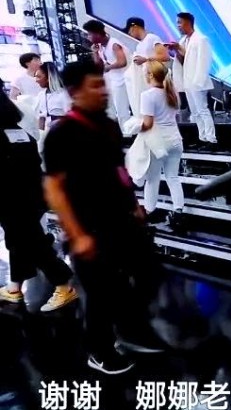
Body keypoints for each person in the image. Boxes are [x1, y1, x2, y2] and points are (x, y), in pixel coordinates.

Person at [43, 60, 163, 375]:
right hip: (89, 228)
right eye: (95, 85)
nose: (103, 90)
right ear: (74, 92)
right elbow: (54, 188)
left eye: (103, 83)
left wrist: (134, 204)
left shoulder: (108, 126)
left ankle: (132, 330)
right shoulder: (61, 133)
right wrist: (76, 234)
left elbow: (119, 170)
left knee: (148, 274)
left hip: (122, 220)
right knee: (100, 294)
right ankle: (99, 351)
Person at [0, 79, 77, 312]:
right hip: (31, 195)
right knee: (19, 240)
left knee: (32, 243)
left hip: (12, 198)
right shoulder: (20, 133)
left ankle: (64, 284)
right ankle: (14, 287)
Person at [138, 60, 185, 226]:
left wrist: (134, 127)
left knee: (153, 179)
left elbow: (148, 124)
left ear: (150, 75)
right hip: (175, 140)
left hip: (158, 143)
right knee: (173, 177)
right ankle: (178, 211)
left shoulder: (147, 96)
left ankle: (150, 212)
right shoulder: (172, 92)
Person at [167, 12, 217, 144]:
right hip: (187, 81)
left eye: (180, 22)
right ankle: (202, 137)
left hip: (197, 81)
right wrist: (176, 49)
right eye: (177, 23)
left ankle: (211, 138)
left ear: (188, 23)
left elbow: (204, 61)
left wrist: (198, 81)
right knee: (195, 112)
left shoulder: (201, 39)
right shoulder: (183, 41)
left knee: (202, 110)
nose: (178, 25)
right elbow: (184, 60)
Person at [83, 19, 131, 131]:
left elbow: (122, 62)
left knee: (121, 108)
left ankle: (127, 133)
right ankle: (118, 131)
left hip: (123, 80)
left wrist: (108, 67)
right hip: (113, 80)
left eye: (89, 34)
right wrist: (95, 52)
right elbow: (98, 65)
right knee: (112, 107)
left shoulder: (114, 44)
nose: (88, 37)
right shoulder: (101, 46)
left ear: (97, 34)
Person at [122, 17, 170, 116]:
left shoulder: (152, 38)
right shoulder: (139, 45)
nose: (129, 34)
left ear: (134, 27)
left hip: (157, 78)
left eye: (129, 30)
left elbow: (165, 56)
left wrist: (145, 59)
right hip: (146, 81)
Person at [34, 62, 70, 132]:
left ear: (48, 77)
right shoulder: (40, 95)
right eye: (35, 76)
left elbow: (70, 116)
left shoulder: (63, 94)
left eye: (39, 76)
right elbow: (41, 119)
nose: (36, 80)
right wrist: (40, 135)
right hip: (47, 133)